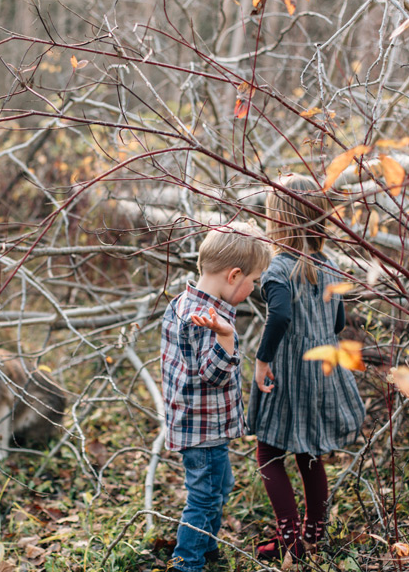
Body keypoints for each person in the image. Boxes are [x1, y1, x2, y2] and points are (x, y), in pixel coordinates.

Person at [248, 175, 365, 560]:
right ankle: (313, 533)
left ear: (277, 220)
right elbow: (336, 322)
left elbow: (279, 316)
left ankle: (292, 541)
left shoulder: (278, 270)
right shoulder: (329, 267)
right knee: (309, 452)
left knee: (269, 453)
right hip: (322, 371)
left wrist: (263, 359)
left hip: (288, 375)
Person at [161, 220, 272, 572]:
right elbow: (213, 374)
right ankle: (187, 562)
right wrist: (226, 338)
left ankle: (207, 549)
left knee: (219, 486)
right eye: (253, 280)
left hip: (198, 424)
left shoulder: (182, 301)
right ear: (234, 275)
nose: (254, 288)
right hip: (203, 430)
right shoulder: (207, 318)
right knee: (205, 496)